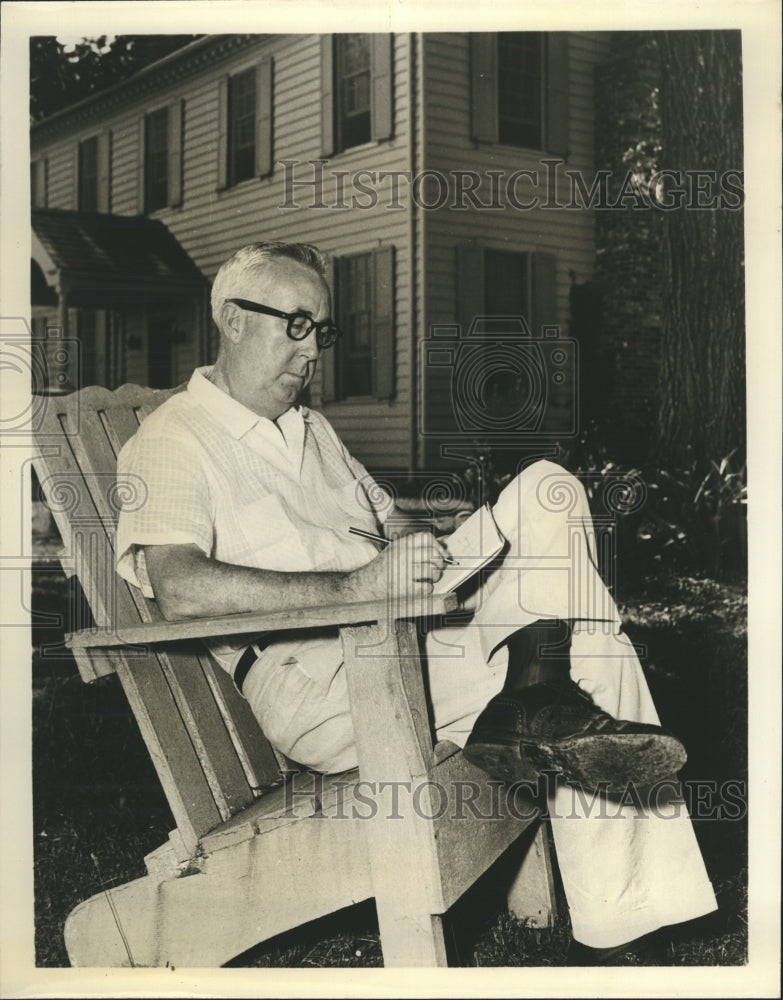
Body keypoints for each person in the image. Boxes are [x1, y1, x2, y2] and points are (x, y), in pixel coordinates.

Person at [115, 241, 717, 963]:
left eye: (322, 331)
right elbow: (178, 583)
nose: (313, 352)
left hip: (406, 632)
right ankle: (613, 893)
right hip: (332, 682)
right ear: (233, 319)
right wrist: (353, 589)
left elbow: (390, 525)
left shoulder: (312, 429)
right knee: (589, 642)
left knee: (544, 487)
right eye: (296, 325)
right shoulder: (173, 440)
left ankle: (535, 695)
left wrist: (436, 541)